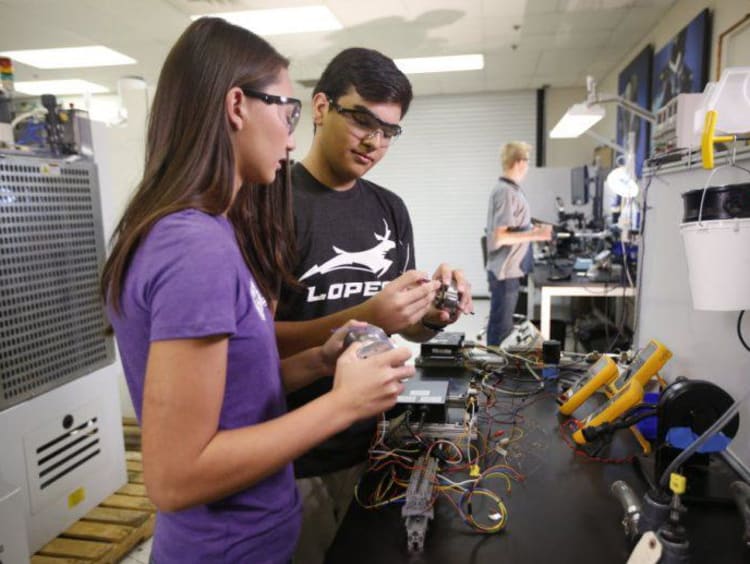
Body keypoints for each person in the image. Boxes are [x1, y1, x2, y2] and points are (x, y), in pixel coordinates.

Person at [100, 19, 414, 564]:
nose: (292, 137)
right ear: (238, 105)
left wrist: (319, 359)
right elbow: (176, 478)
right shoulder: (193, 246)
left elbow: (233, 397)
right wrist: (344, 404)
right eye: (286, 111)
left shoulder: (210, 231)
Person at [274, 47, 473, 563]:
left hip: (372, 445)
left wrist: (433, 315)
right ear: (319, 107)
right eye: (363, 120)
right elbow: (249, 339)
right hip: (291, 454)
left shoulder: (389, 209)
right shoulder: (268, 202)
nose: (375, 142)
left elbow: (405, 328)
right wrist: (370, 314)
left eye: (389, 131)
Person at [485, 141, 552, 346]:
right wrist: (536, 235)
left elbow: (514, 226)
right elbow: (501, 237)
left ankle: (494, 366)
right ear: (519, 162)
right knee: (501, 329)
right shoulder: (506, 192)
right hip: (505, 271)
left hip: (510, 269)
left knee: (500, 324)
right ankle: (494, 371)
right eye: (527, 162)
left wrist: (532, 226)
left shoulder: (511, 190)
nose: (527, 167)